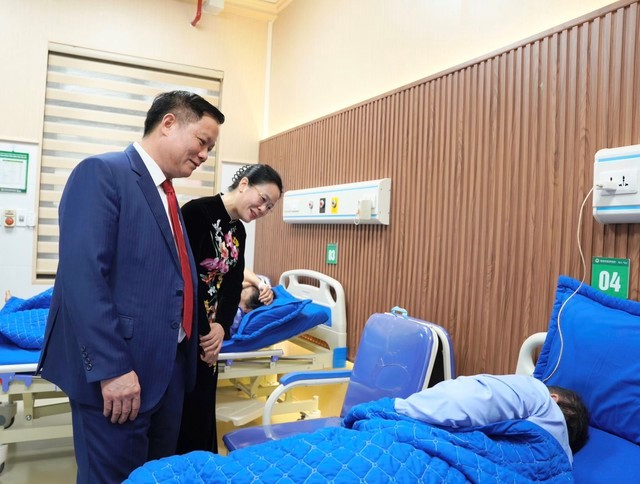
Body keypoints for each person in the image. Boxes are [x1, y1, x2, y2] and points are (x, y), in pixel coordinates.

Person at [37, 90, 225, 484]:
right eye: (202, 141)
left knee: (156, 477)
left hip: (167, 373)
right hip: (121, 374)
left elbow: (173, 279)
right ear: (169, 124)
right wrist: (113, 369)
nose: (205, 155)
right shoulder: (102, 173)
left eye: (210, 148)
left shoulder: (167, 195)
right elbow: (83, 278)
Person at [177, 164, 283, 454]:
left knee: (202, 406)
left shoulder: (239, 231)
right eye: (263, 199)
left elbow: (233, 283)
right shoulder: (197, 213)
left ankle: (203, 467)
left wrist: (221, 327)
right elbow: (186, 279)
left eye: (270, 207)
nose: (263, 209)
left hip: (212, 331)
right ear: (244, 184)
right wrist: (206, 332)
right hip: (187, 326)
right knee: (181, 408)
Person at [394, 374, 589, 463]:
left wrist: (399, 409)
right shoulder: (564, 464)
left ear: (554, 398)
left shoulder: (541, 398)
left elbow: (462, 398)